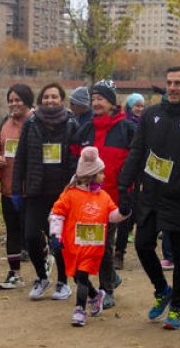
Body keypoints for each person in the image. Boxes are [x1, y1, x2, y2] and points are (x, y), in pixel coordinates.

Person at [118, 66, 180, 330]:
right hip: (151, 194)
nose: (172, 88)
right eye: (169, 82)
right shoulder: (151, 114)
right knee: (142, 245)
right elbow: (137, 151)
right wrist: (123, 184)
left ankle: (177, 307)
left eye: (178, 83)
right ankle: (162, 289)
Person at [13, 83, 79, 300]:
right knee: (31, 236)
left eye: (54, 97)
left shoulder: (71, 124)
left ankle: (63, 282)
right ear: (40, 100)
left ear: (62, 99)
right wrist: (16, 189)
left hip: (61, 193)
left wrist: (74, 188)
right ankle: (42, 277)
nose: (50, 100)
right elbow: (20, 157)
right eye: (46, 97)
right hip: (35, 191)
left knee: (57, 240)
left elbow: (75, 159)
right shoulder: (31, 123)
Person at [74, 80, 137, 306]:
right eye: (93, 99)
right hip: (84, 198)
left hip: (111, 199)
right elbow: (74, 155)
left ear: (112, 103)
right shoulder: (86, 129)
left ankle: (106, 289)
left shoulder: (127, 128)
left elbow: (136, 160)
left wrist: (128, 191)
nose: (96, 103)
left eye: (101, 99)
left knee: (103, 245)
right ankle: (112, 276)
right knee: (89, 243)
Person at [50, 147, 127, 326]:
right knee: (77, 277)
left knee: (82, 277)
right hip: (73, 246)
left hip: (93, 247)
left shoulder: (103, 196)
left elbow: (112, 215)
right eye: (101, 173)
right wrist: (55, 235)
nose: (104, 176)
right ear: (91, 175)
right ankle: (95, 295)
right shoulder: (70, 195)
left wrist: (124, 212)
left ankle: (79, 310)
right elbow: (57, 214)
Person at [0, 84, 34, 289]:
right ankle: (14, 273)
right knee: (12, 231)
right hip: (8, 187)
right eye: (10, 100)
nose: (13, 104)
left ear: (27, 101)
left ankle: (43, 268)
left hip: (31, 189)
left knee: (32, 233)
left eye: (18, 99)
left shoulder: (36, 121)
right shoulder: (4, 123)